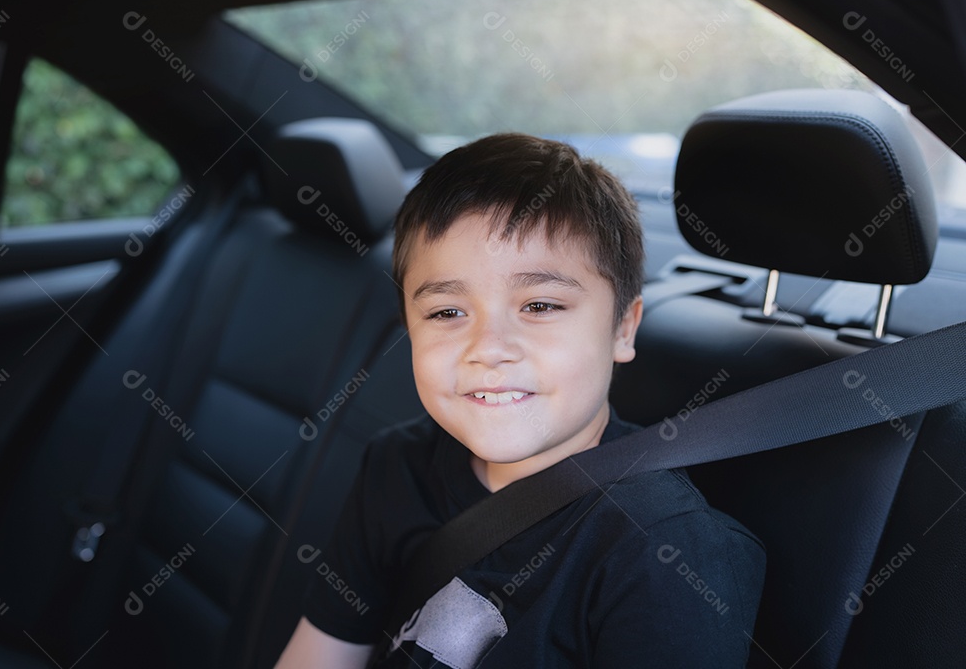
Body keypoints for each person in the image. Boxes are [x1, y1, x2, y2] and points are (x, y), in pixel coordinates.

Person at [275, 133, 765, 668]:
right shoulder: (396, 468)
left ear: (623, 328)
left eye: (539, 306)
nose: (489, 348)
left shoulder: (664, 551)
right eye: (447, 312)